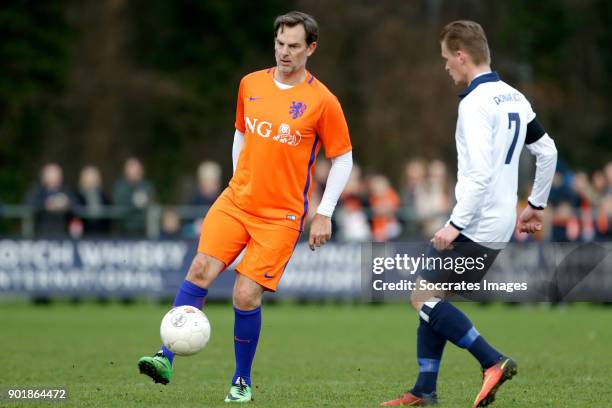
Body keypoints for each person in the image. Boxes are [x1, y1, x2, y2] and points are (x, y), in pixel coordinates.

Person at [138, 11, 353, 403]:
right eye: (280, 44)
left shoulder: (323, 101)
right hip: (236, 201)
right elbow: (240, 132)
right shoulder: (250, 83)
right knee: (200, 269)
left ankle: (241, 380)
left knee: (244, 294)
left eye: (293, 46)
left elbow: (343, 158)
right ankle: (165, 356)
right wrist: (240, 177)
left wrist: (324, 212)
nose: (285, 52)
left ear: (311, 48)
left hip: (282, 217)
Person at [381, 21, 557, 407]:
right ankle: (425, 389)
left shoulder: (474, 104)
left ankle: (491, 360)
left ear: (462, 56)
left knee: (420, 298)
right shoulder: (514, 97)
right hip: (498, 221)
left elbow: (477, 175)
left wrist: (454, 225)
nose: (446, 66)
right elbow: (547, 151)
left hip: (476, 222)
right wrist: (535, 205)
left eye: (447, 58)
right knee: (432, 296)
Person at [25, 163, 73, 236]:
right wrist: (46, 204)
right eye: (51, 174)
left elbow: (77, 205)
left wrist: (66, 204)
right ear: (43, 176)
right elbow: (28, 204)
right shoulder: (37, 191)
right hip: (41, 233)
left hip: (63, 234)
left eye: (56, 174)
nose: (54, 177)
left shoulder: (66, 191)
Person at [113, 157, 155, 235]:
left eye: (136, 169)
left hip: (144, 228)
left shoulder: (147, 186)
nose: (134, 171)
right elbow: (119, 205)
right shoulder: (120, 186)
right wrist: (135, 204)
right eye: (131, 168)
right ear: (125, 171)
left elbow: (151, 203)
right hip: (125, 228)